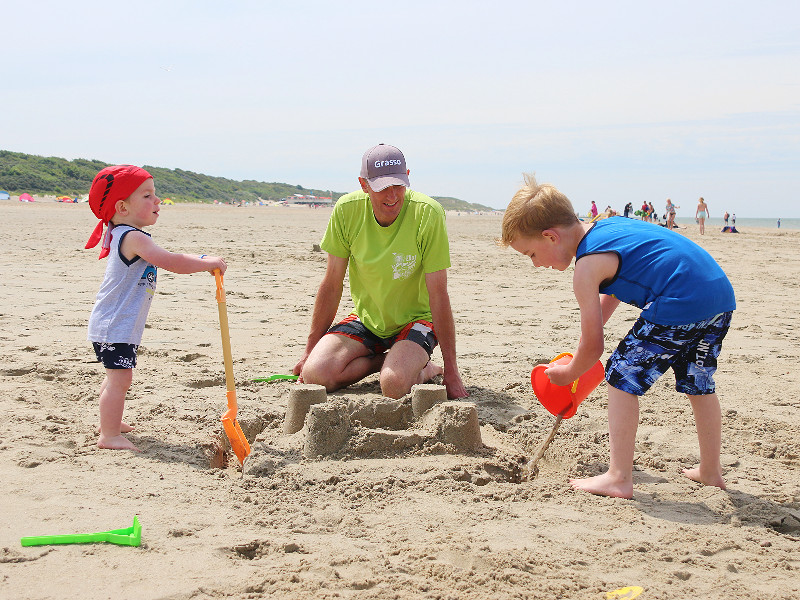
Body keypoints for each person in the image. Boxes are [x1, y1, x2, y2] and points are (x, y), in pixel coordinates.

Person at [500, 174, 736, 499]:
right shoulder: (609, 229)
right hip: (717, 296)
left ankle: (618, 477)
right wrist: (593, 326)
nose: (535, 265)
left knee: (620, 374)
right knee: (699, 384)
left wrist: (569, 373)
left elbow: (593, 348)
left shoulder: (585, 268)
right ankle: (710, 471)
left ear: (550, 237)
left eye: (531, 255)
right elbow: (618, 287)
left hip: (679, 300)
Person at [293, 144, 467, 400]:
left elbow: (438, 293)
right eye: (382, 187)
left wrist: (451, 371)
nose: (392, 195)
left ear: (407, 176)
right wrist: (309, 352)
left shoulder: (428, 214)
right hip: (367, 318)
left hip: (418, 319)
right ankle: (384, 361)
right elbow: (331, 285)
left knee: (393, 385)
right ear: (364, 184)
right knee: (316, 375)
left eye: (398, 185)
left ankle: (426, 369)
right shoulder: (346, 210)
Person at [86, 165, 227, 451]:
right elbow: (172, 262)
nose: (157, 201)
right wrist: (206, 263)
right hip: (115, 325)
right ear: (122, 207)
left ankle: (108, 421)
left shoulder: (122, 233)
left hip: (114, 323)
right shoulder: (134, 237)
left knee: (117, 376)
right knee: (120, 378)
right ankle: (109, 435)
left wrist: (202, 258)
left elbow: (171, 256)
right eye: (147, 196)